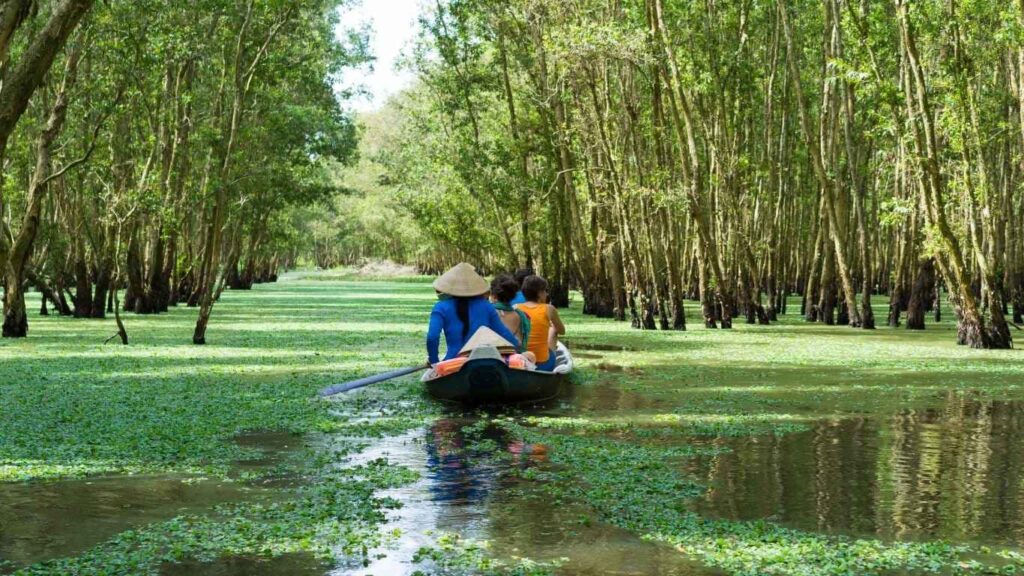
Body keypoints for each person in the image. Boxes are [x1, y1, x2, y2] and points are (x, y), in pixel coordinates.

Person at [426, 263, 521, 365]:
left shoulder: (440, 307)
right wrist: (519, 349)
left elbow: (432, 337)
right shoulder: (486, 306)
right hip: (484, 362)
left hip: (453, 362)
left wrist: (434, 361)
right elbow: (503, 333)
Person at [515, 275, 565, 372]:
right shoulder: (549, 309)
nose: (546, 294)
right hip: (543, 364)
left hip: (521, 362)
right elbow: (562, 331)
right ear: (539, 293)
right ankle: (551, 359)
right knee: (554, 329)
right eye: (545, 291)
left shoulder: (516, 307)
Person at [489, 274, 530, 350]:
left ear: (493, 296)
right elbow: (520, 344)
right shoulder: (521, 316)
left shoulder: (488, 313)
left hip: (492, 358)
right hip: (515, 358)